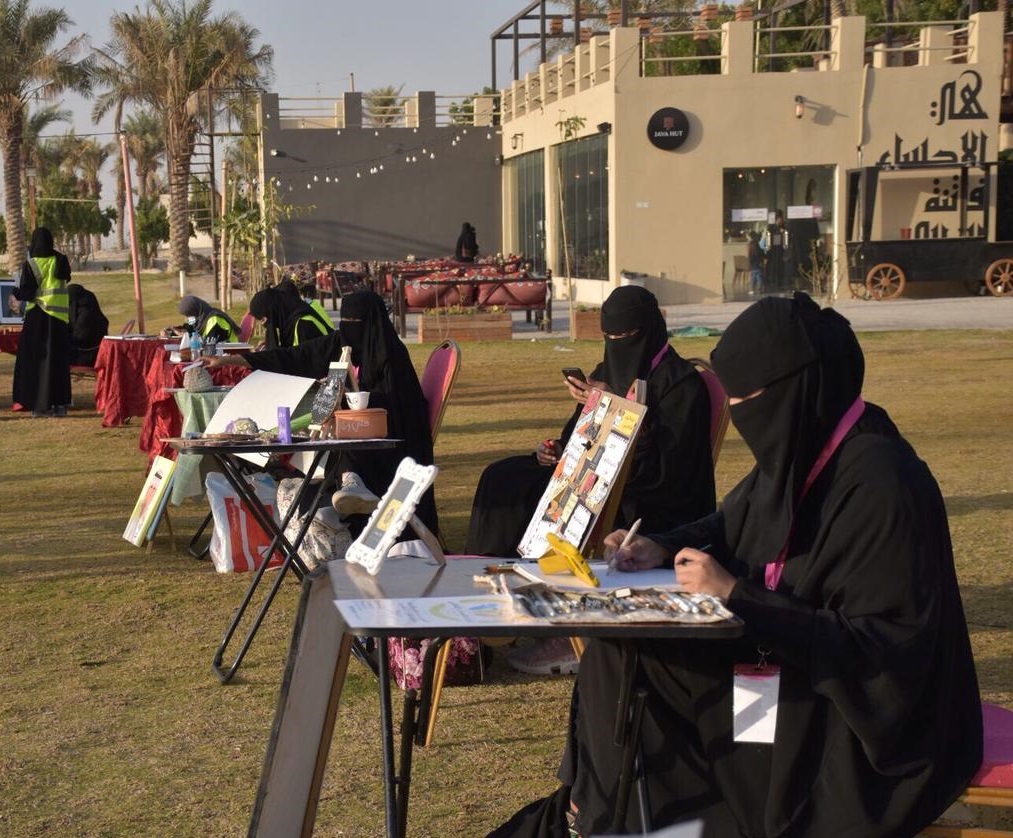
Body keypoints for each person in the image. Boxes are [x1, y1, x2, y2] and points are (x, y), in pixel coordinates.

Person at [491, 293, 982, 838]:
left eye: (749, 398)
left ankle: (621, 816)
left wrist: (736, 595)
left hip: (849, 731)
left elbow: (877, 654)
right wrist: (658, 546)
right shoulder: (803, 453)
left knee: (639, 667)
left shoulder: (882, 486)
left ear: (797, 389)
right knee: (620, 649)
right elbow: (729, 524)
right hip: (785, 666)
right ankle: (595, 809)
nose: (744, 413)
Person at [465, 285, 716, 674]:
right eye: (609, 337)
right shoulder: (606, 373)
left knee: (556, 498)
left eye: (626, 336)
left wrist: (617, 406)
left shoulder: (681, 384)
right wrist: (553, 449)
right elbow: (579, 436)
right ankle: (496, 601)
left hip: (647, 489)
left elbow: (672, 467)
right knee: (503, 478)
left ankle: (563, 625)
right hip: (593, 472)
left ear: (650, 330)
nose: (617, 346)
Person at [206, 289, 438, 535]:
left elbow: (398, 409)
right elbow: (297, 357)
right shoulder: (342, 343)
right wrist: (235, 361)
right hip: (356, 432)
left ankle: (353, 485)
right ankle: (349, 488)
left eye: (355, 322)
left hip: (393, 443)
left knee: (342, 437)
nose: (349, 327)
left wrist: (352, 400)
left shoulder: (391, 356)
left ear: (371, 322)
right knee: (334, 437)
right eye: (345, 321)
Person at [9, 227, 72, 417]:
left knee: (36, 362)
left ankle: (39, 406)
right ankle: (60, 405)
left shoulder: (32, 264)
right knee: (58, 361)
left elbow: (28, 293)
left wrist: (15, 292)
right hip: (59, 319)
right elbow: (66, 278)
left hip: (37, 317)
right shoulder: (61, 260)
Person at [248, 285, 332, 350]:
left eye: (263, 319)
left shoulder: (303, 324)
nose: (263, 324)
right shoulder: (289, 324)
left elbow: (308, 361)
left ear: (273, 311)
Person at [67, 283, 109, 367]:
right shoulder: (90, 307)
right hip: (100, 354)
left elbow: (80, 340)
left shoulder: (85, 316)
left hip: (86, 357)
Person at [176, 295, 241, 343]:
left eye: (188, 315)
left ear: (195, 311)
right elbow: (192, 329)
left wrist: (189, 338)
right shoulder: (202, 318)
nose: (187, 318)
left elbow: (210, 344)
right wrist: (178, 332)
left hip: (230, 352)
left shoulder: (214, 320)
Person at [760, 210, 789, 292]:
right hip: (773, 253)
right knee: (773, 268)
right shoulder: (772, 228)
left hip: (778, 253)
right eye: (780, 218)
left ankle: (778, 283)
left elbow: (785, 242)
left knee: (778, 268)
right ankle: (773, 283)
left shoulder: (782, 228)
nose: (782, 220)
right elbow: (772, 242)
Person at [746, 231, 764, 296]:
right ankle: (759, 289)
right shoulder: (757, 245)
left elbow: (749, 257)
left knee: (753, 278)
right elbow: (761, 254)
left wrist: (749, 265)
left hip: (753, 265)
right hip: (758, 264)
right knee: (759, 277)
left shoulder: (751, 245)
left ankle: (752, 290)